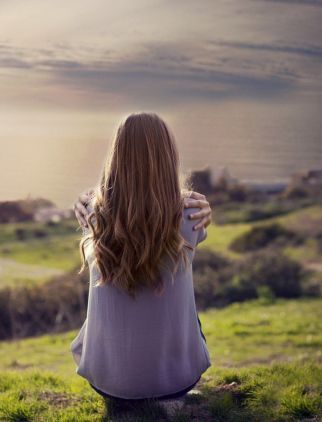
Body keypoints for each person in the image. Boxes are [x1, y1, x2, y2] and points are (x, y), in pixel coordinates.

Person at [70, 112, 213, 408]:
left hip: (107, 383)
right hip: (176, 383)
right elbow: (173, 205)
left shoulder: (93, 216)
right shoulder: (191, 215)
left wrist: (86, 200)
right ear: (168, 157)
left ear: (116, 157)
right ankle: (169, 388)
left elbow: (98, 201)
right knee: (190, 314)